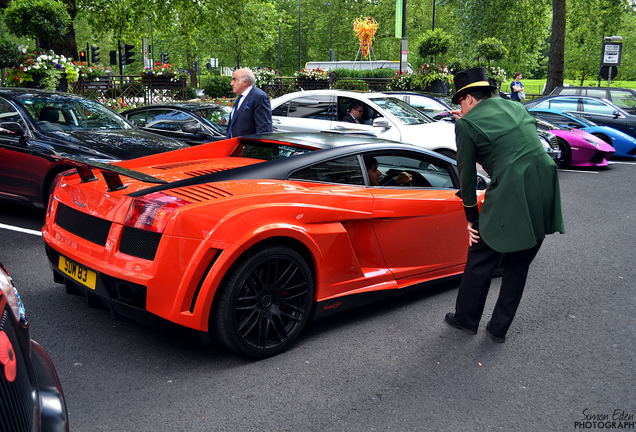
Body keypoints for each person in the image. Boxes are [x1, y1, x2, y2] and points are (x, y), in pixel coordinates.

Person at [444, 67, 564, 343]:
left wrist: (471, 218)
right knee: (519, 263)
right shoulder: (515, 107)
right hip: (545, 185)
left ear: (469, 98)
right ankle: (498, 328)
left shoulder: (465, 125)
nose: (460, 108)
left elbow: (466, 173)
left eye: (460, 102)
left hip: (512, 188)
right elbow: (507, 135)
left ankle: (466, 319)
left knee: (480, 255)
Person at [226, 68, 272, 138]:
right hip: (234, 145)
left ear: (245, 82)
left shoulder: (259, 96)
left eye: (234, 79)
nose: (231, 83)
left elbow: (264, 130)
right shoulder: (241, 97)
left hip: (248, 147)